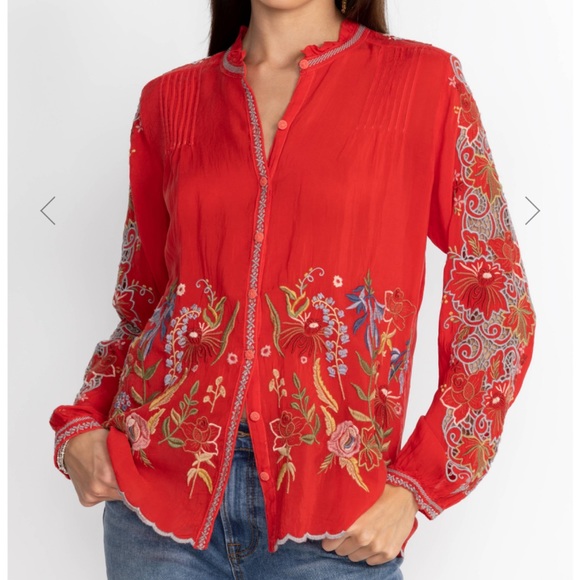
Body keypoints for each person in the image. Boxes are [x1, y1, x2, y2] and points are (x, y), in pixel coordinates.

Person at [49, 0, 537, 578]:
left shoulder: (424, 82)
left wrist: (416, 483)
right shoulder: (169, 101)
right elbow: (143, 304)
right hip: (157, 507)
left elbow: (496, 296)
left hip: (333, 514)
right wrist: (83, 424)